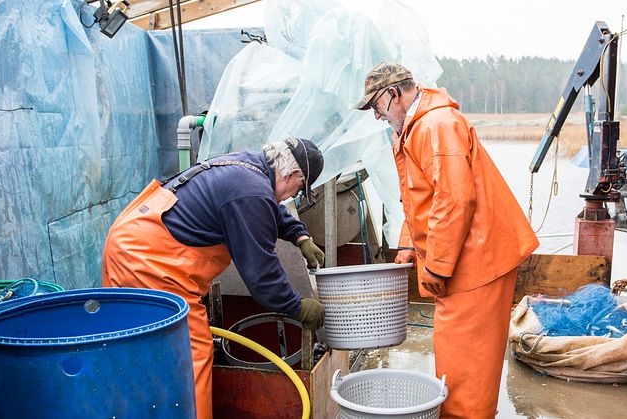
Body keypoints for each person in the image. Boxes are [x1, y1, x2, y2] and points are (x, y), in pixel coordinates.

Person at [356, 62, 539, 418]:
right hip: (466, 259)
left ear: (393, 94)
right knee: (456, 360)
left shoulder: (435, 125)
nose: (377, 116)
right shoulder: (418, 126)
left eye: (376, 106)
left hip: (477, 263)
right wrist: (409, 242)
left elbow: (454, 200)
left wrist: (437, 267)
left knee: (467, 369)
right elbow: (422, 195)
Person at [102, 136, 326, 419]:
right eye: (297, 189)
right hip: (147, 259)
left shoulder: (249, 168)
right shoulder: (251, 191)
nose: (292, 197)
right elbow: (262, 273)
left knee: (143, 349)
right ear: (294, 174)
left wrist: (300, 235)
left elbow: (270, 207)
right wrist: (296, 306)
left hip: (134, 240)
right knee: (191, 353)